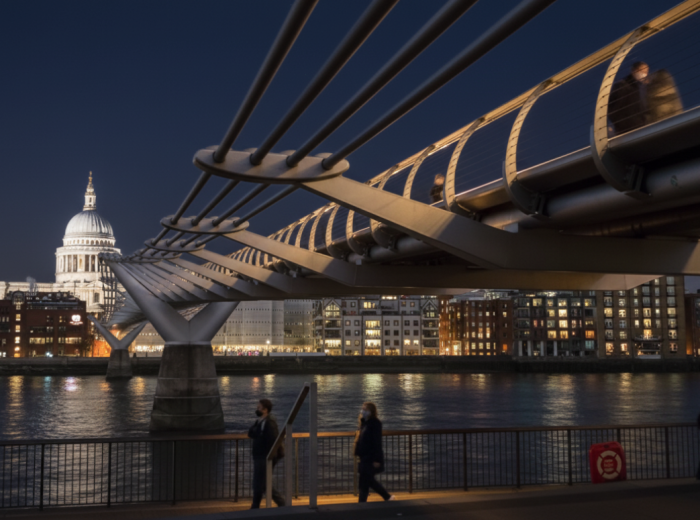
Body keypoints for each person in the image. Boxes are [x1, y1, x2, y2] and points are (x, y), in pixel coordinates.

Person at [354, 402, 395, 503]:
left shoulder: (375, 423)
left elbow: (377, 442)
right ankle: (385, 497)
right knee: (366, 480)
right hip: (364, 456)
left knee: (366, 479)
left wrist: (377, 459)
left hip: (370, 456)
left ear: (371, 411)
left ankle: (385, 497)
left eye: (365, 409)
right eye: (362, 409)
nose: (363, 411)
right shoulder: (364, 423)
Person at [248, 399, 285, 508]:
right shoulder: (260, 421)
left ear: (265, 410)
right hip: (260, 456)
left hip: (264, 456)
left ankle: (255, 506)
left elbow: (273, 439)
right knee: (263, 483)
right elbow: (251, 433)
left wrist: (270, 456)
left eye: (259, 408)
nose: (257, 409)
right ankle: (282, 503)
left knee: (259, 483)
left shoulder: (269, 422)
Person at [609, 61, 651, 135]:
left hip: (640, 130)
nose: (644, 74)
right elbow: (612, 108)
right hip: (626, 131)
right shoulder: (623, 85)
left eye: (646, 72)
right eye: (642, 71)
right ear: (633, 70)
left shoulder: (641, 88)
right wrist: (619, 125)